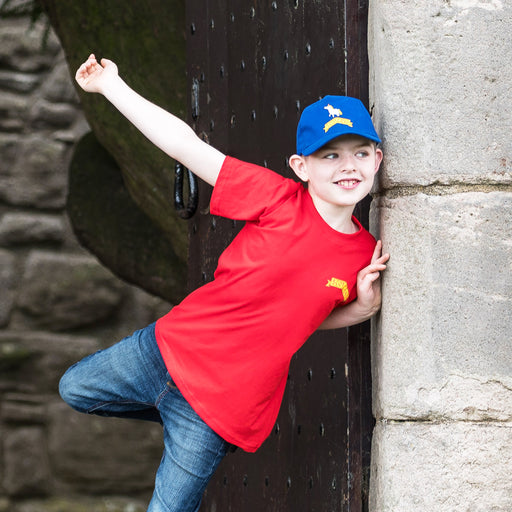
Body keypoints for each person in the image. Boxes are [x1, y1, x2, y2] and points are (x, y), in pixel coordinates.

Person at [60, 54, 389, 512]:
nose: (346, 166)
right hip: (165, 352)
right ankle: (165, 408)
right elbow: (185, 146)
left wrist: (363, 307)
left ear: (378, 159)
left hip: (216, 411)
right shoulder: (276, 197)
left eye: (359, 153)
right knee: (75, 388)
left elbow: (302, 320)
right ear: (301, 166)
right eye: (329, 155)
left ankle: (180, 421)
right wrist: (112, 86)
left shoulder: (364, 253)